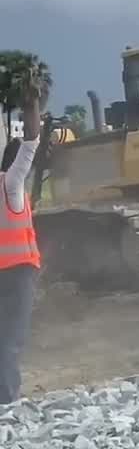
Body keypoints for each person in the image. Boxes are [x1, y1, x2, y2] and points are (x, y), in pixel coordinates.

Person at [0, 93, 42, 404]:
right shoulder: (11, 184)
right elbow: (30, 144)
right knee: (12, 338)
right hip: (17, 274)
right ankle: (8, 400)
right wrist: (33, 103)